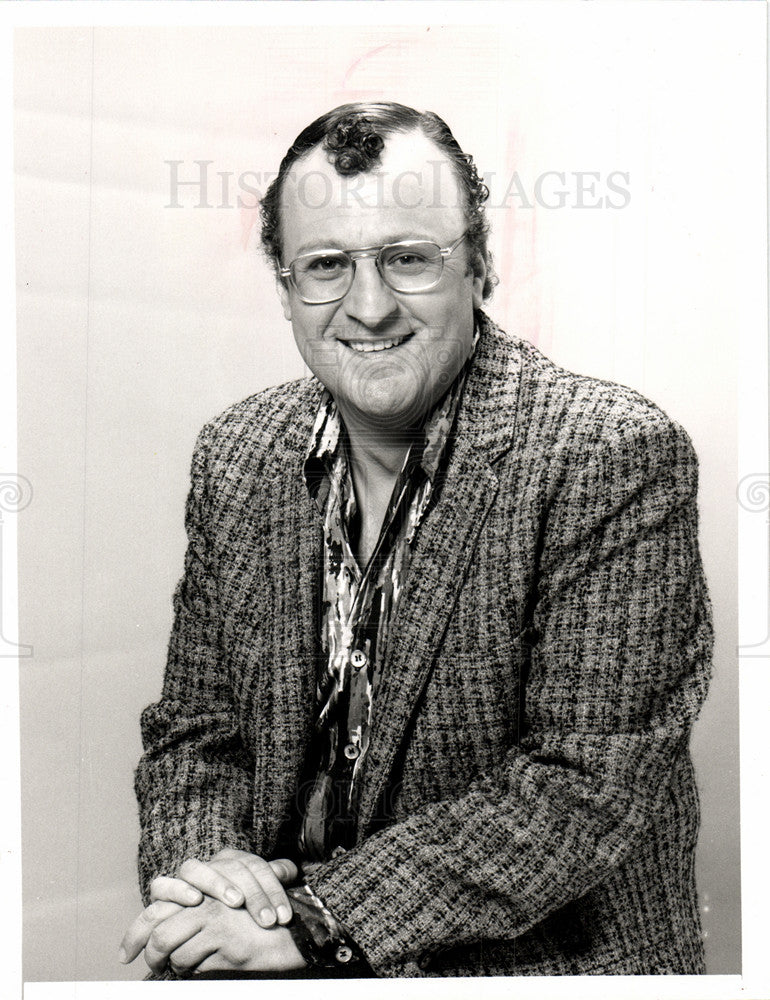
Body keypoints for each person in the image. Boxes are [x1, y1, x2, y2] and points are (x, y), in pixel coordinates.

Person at [120, 102, 713, 979]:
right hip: (272, 952)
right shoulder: (236, 454)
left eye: (407, 258)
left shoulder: (608, 454)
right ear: (285, 287)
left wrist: (315, 923)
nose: (367, 306)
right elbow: (195, 733)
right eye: (327, 265)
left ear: (481, 267)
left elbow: (582, 783)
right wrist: (213, 878)